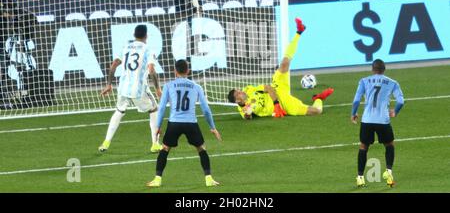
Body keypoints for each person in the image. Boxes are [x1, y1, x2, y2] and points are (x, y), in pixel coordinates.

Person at [227, 18, 334, 120]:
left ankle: (299, 31)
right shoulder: (243, 109)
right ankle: (318, 98)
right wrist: (247, 112)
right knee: (316, 111)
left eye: (238, 90)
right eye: (238, 93)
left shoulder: (248, 89)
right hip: (285, 104)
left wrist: (276, 105)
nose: (240, 91)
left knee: (284, 63)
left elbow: (269, 88)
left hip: (277, 89)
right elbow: (247, 117)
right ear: (237, 100)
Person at [146, 59, 222, 188]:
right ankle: (208, 179)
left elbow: (162, 107)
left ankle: (157, 179)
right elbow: (206, 110)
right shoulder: (197, 87)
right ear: (188, 71)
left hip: (174, 123)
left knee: (164, 149)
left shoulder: (169, 86)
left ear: (175, 71)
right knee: (201, 149)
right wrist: (212, 127)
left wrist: (158, 126)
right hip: (191, 123)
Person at [99, 25, 162, 153]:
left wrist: (109, 84)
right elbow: (151, 70)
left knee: (119, 111)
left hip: (123, 88)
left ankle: (106, 142)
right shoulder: (148, 49)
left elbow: (113, 66)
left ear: (134, 35)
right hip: (139, 89)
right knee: (154, 109)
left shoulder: (125, 47)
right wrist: (158, 89)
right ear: (146, 36)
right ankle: (155, 144)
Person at [351, 59, 405, 188]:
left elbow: (356, 100)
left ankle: (360, 177)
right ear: (384, 69)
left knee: (363, 146)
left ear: (372, 69)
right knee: (389, 144)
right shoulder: (393, 83)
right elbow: (401, 101)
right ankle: (388, 171)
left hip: (367, 120)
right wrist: (395, 111)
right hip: (383, 120)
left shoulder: (364, 81)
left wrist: (353, 113)